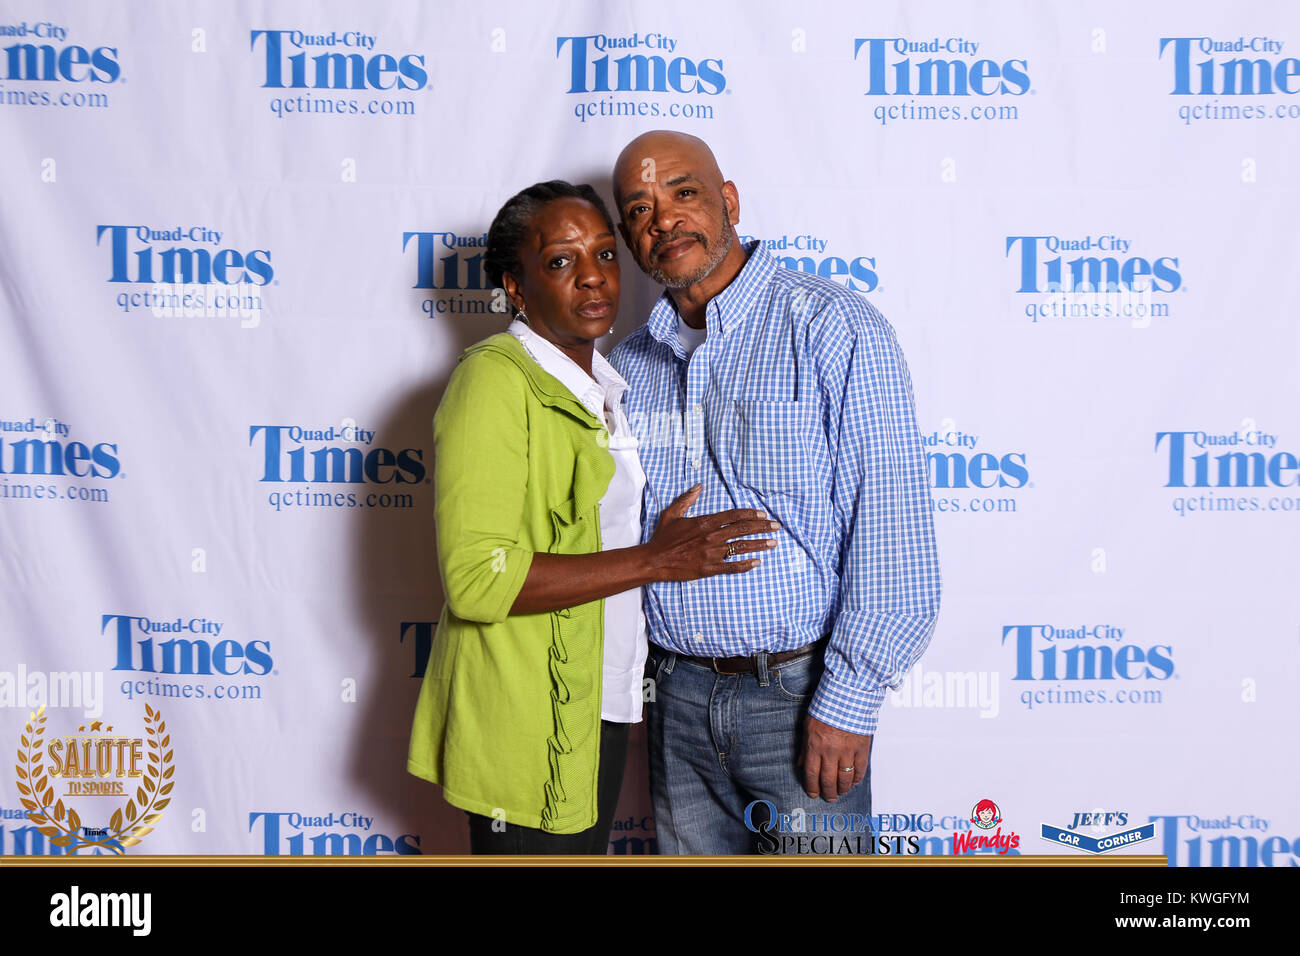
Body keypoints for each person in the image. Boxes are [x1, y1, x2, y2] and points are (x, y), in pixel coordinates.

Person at [406, 180, 778, 854]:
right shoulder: (493, 379)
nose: (591, 277)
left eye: (605, 256)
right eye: (560, 261)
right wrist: (657, 559)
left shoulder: (604, 386)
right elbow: (477, 579)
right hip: (521, 716)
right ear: (516, 288)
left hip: (595, 705)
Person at [607, 132, 941, 854]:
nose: (663, 220)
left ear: (728, 201)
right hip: (673, 698)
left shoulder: (833, 327)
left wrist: (848, 701)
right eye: (639, 209)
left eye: (683, 194)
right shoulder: (630, 363)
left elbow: (891, 532)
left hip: (796, 698)